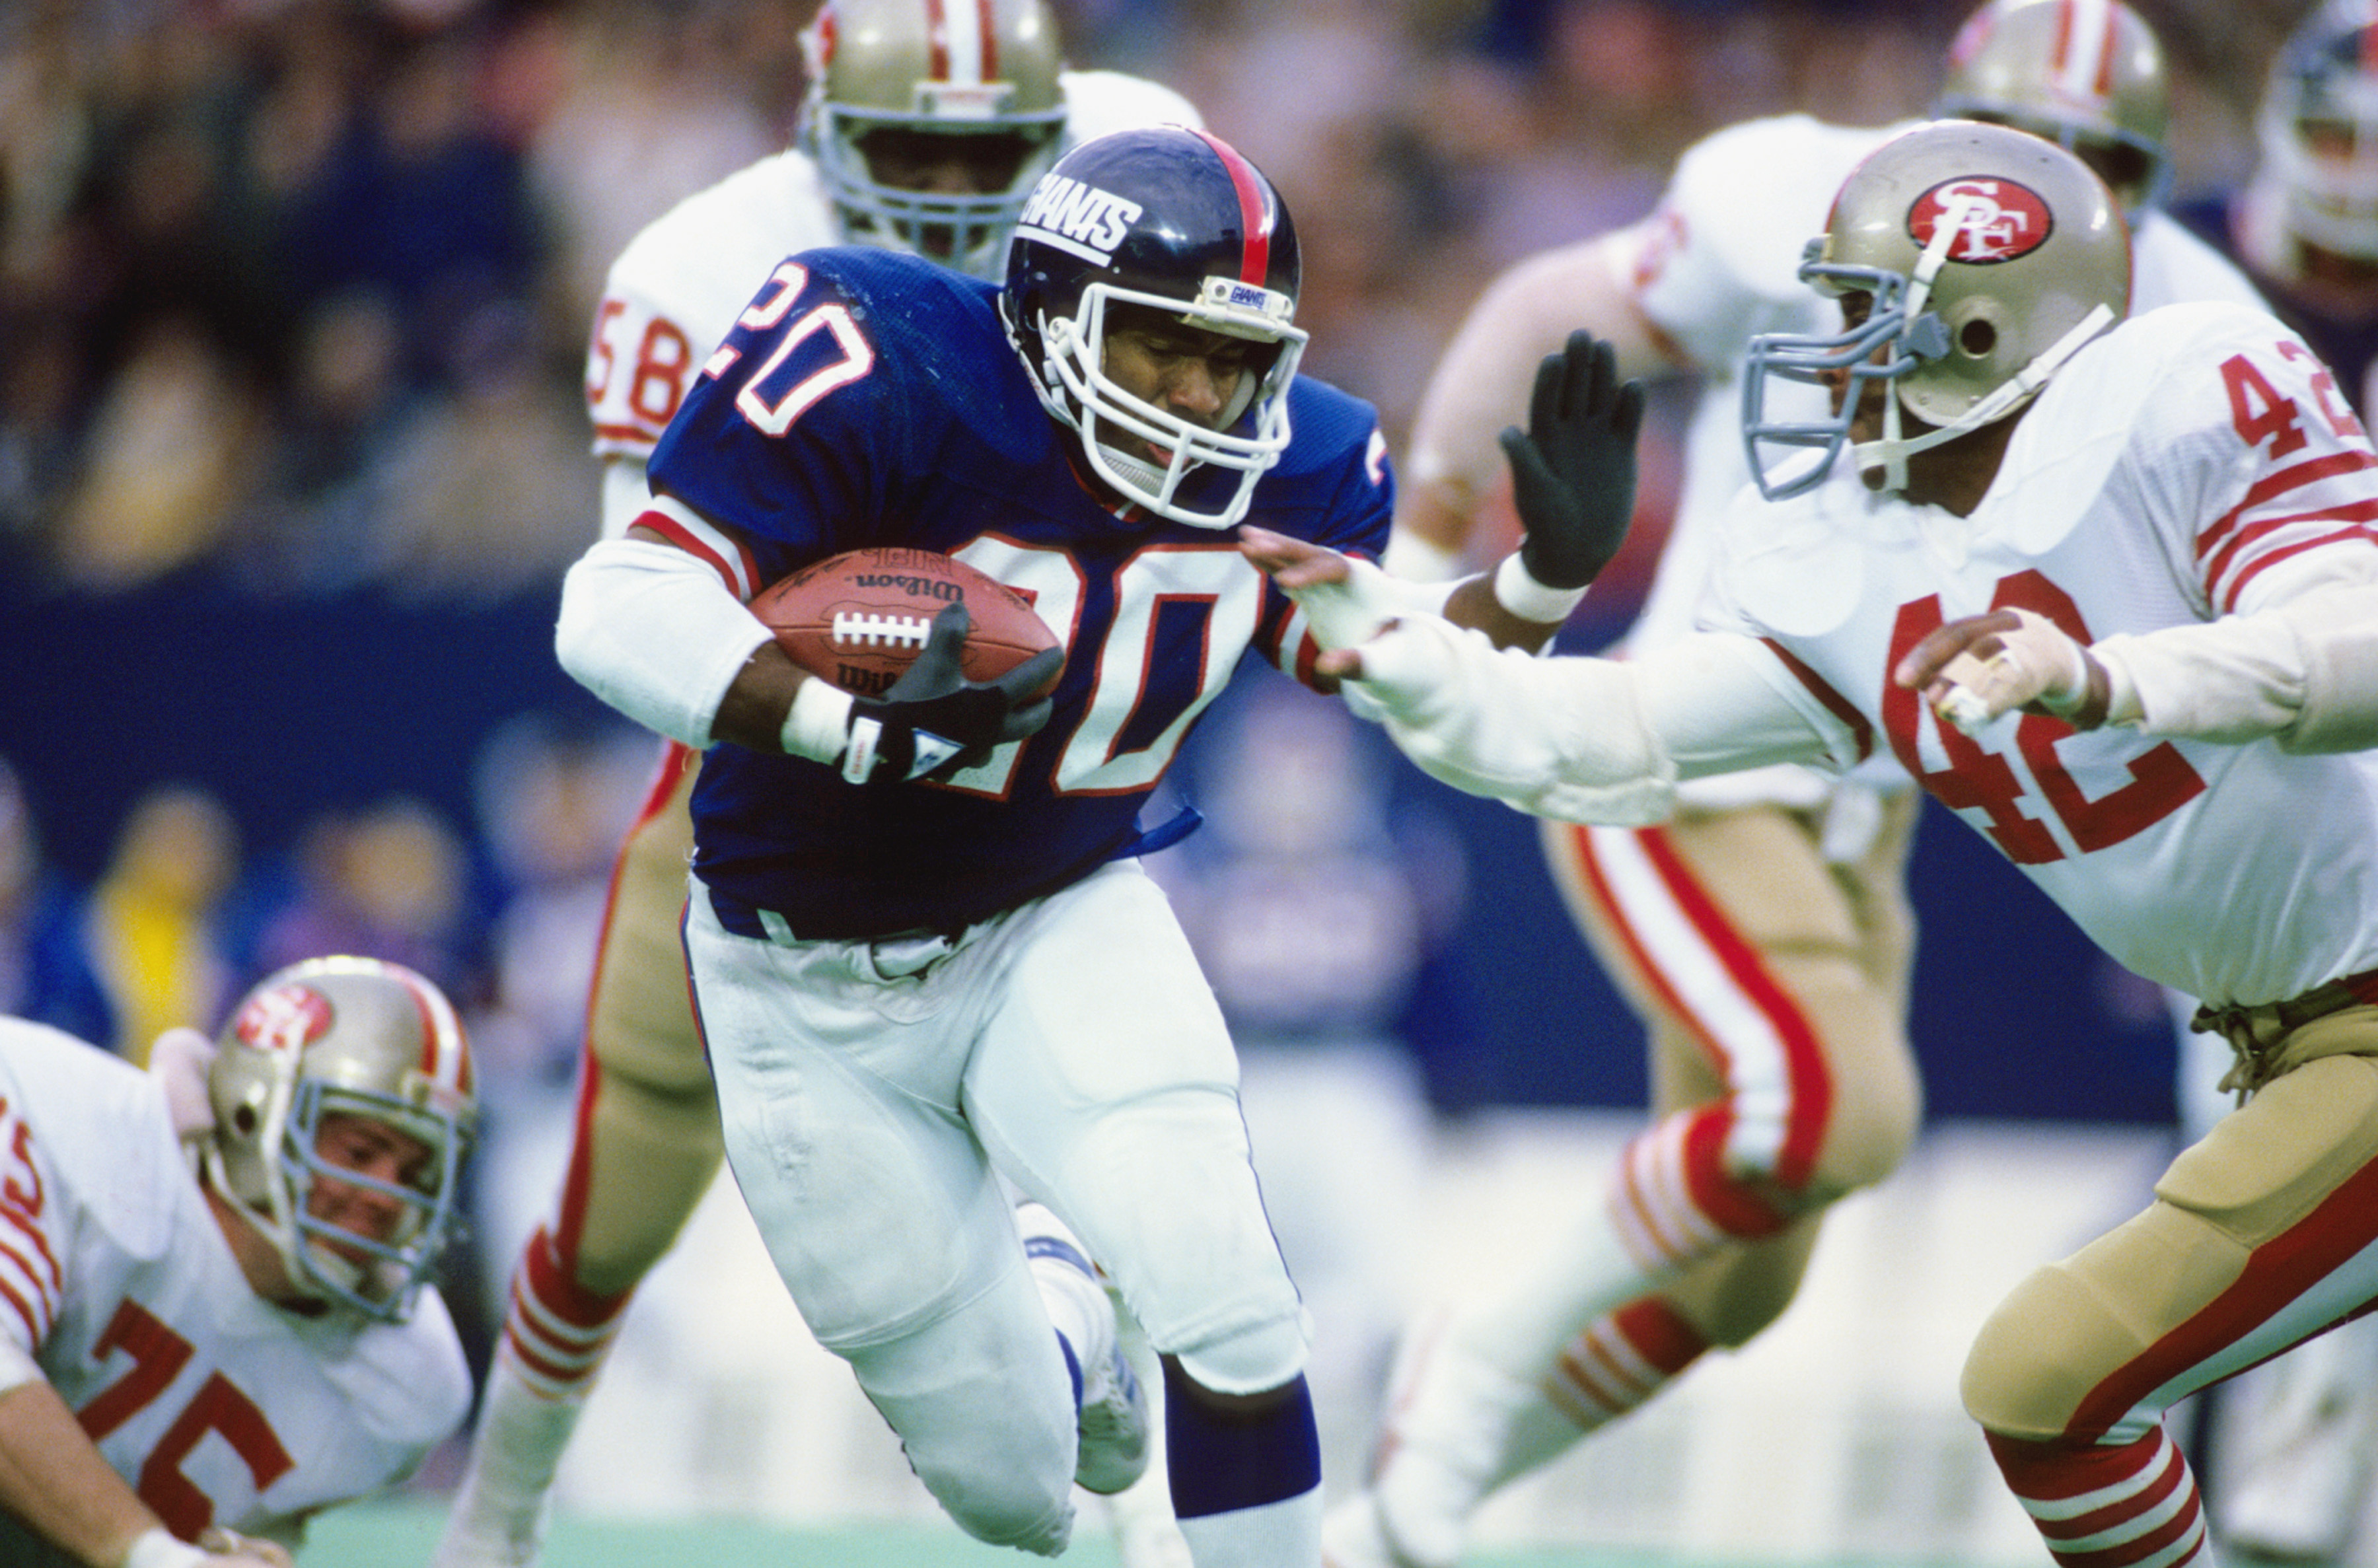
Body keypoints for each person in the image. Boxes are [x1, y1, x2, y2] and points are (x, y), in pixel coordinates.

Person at [1252, 118, 2378, 1568]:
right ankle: (1439, 1462)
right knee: (2004, 1365)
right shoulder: (1866, 562)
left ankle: (1454, 1419)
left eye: (1861, 317)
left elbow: (2358, 644)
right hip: (2292, 1037)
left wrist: (2111, 676)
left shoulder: (2197, 385)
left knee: (2049, 1369)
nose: (1821, 352)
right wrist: (1436, 623)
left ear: (1980, 328)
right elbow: (1609, 739)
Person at [546, 120, 1637, 1567]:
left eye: (1232, 361)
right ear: (1055, 312)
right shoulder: (888, 365)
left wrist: (1543, 577)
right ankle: (1066, 1310)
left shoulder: (1300, 464)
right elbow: (616, 603)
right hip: (791, 982)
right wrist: (839, 722)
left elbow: (1385, 659)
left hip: (1054, 908)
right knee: (1020, 1486)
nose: (1202, 395)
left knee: (1235, 1300)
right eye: (1161, 350)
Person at [431, 3, 1207, 1564]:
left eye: (989, 152)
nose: (948, 188)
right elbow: (663, 613)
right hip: (772, 784)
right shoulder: (699, 273)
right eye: (912, 144)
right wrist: (860, 695)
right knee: (613, 1193)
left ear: (1055, 143)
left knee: (1119, 1148)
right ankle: (495, 1515)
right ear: (822, 126)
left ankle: (1152, 1523)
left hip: (1039, 770)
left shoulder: (1146, 179)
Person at [2164, 1, 2378, 1555]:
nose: (2357, 181)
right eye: (2333, 137)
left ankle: (2281, 1516)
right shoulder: (2166, 271)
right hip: (2197, 769)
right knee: (2259, 1172)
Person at [0, 954, 480, 1568]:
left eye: (417, 1174)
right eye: (360, 1152)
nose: (387, 1196)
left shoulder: (407, 1381)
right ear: (254, 1112)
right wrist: (155, 1557)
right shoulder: (63, 1115)